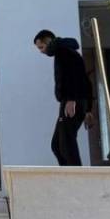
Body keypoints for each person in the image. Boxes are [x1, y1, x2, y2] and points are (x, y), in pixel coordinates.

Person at [34, 29, 93, 166]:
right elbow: (85, 80)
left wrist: (71, 100)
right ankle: (68, 172)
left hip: (72, 101)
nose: (41, 51)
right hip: (75, 101)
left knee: (66, 144)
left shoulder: (63, 52)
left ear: (48, 41)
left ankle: (76, 174)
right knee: (57, 145)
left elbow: (72, 77)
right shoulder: (67, 51)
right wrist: (88, 109)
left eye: (41, 47)